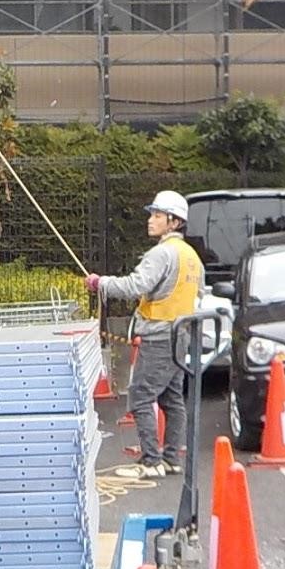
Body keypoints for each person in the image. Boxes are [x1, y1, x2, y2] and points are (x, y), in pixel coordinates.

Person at [86, 190, 202, 478]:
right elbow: (198, 294)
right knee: (172, 399)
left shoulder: (162, 253)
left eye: (157, 215)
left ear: (173, 222)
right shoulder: (191, 256)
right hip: (181, 334)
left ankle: (151, 462)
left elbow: (135, 286)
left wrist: (101, 283)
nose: (150, 221)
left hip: (159, 336)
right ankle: (172, 459)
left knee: (139, 397)